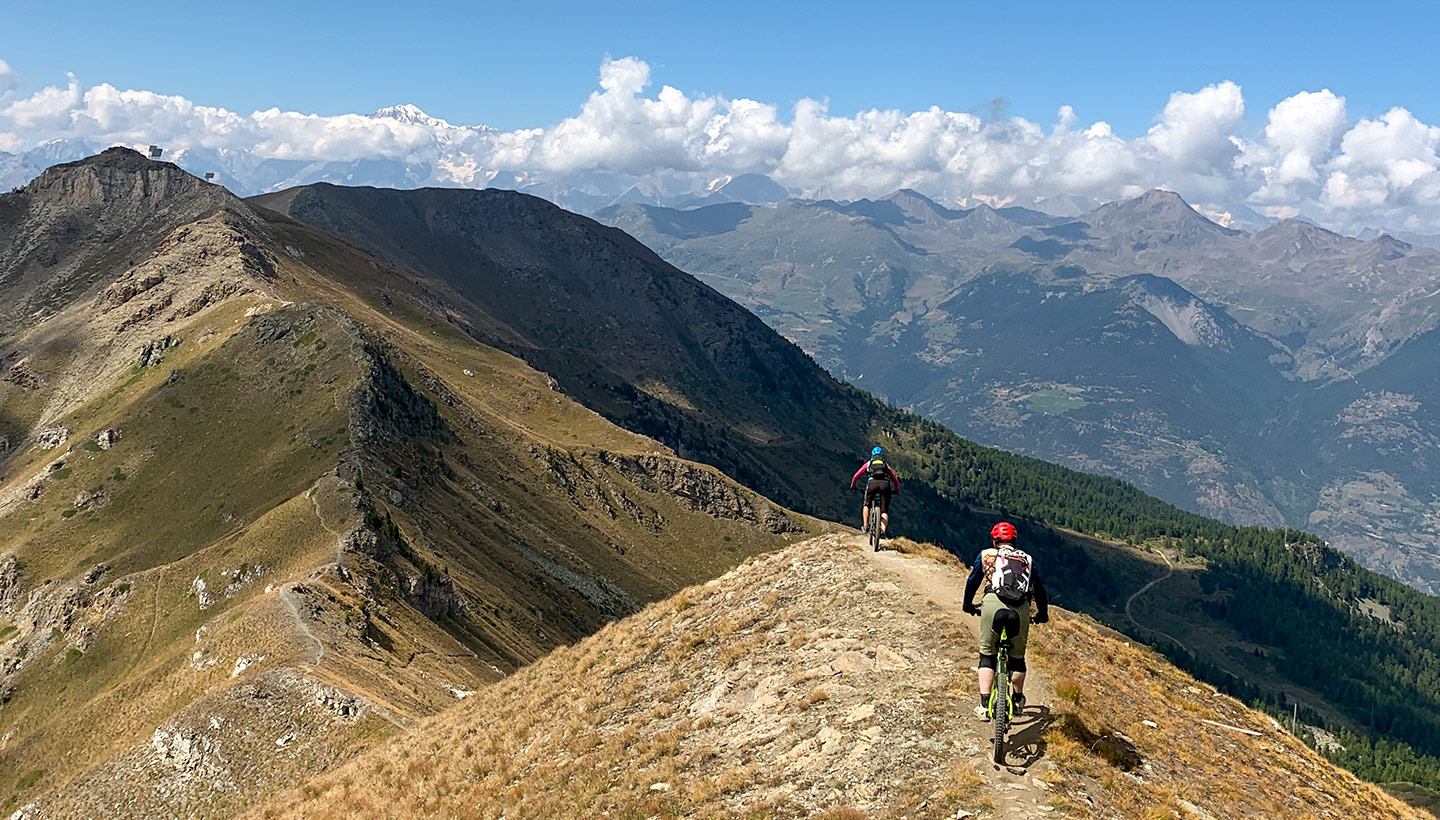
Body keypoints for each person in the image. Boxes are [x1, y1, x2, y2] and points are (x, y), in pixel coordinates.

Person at [962, 521, 1049, 720]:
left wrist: (967, 605)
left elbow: (972, 581)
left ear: (995, 540)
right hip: (1020, 609)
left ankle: (984, 706)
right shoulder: (1027, 559)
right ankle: (1017, 700)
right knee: (1017, 659)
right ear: (1014, 541)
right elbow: (1040, 589)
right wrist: (1042, 614)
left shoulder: (986, 555)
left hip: (992, 604)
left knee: (987, 655)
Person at [850, 446, 900, 537]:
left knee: (867, 505)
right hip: (885, 485)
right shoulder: (886, 465)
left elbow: (856, 476)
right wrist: (896, 490)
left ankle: (865, 526)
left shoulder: (869, 463)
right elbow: (895, 480)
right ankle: (883, 531)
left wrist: (853, 485)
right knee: (884, 511)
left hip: (872, 484)